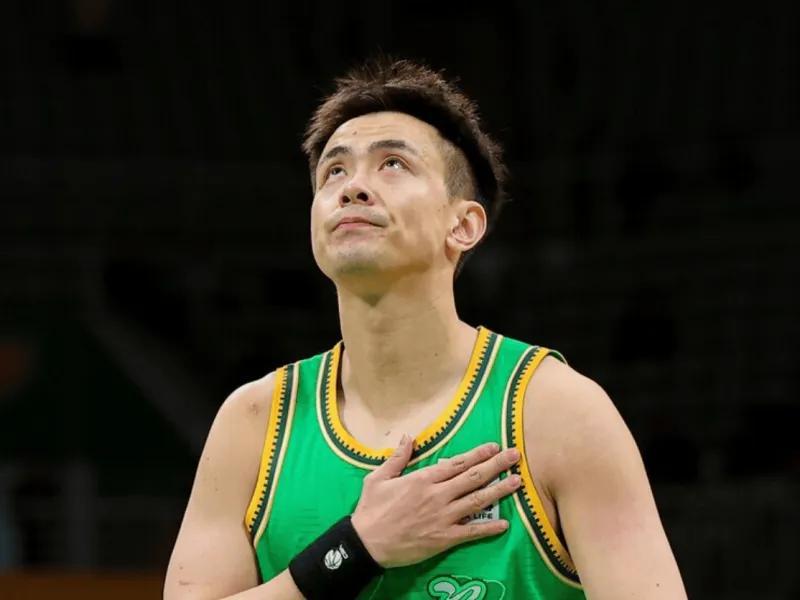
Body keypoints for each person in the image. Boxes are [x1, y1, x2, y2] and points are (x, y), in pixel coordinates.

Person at [164, 58, 687, 600]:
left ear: (463, 225)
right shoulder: (254, 423)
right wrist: (356, 548)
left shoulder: (557, 412)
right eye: (334, 172)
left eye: (392, 164)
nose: (353, 187)